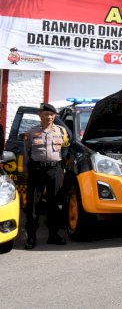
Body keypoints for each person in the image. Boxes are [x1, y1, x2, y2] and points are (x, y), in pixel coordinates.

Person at [24, 103, 68, 249]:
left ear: (54, 116)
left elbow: (66, 148)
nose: (48, 117)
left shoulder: (61, 132)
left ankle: (53, 235)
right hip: (36, 170)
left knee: (55, 203)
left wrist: (61, 167)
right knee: (33, 204)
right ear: (40, 115)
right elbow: (27, 152)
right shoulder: (31, 132)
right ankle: (31, 237)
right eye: (46, 114)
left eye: (51, 114)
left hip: (54, 170)